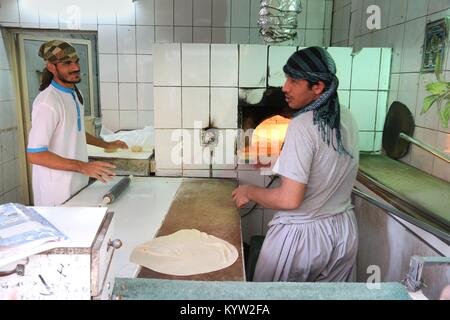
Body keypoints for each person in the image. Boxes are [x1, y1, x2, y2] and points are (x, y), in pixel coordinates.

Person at [232, 46, 359, 282]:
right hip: (343, 233)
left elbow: (289, 199)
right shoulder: (346, 117)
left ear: (317, 87)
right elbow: (324, 164)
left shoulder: (303, 126)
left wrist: (249, 191)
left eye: (293, 80)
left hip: (304, 240)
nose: (284, 87)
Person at [27, 40, 128, 206]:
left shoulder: (75, 93)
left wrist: (106, 144)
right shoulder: (48, 103)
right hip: (56, 191)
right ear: (51, 67)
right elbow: (35, 154)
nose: (75, 68)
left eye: (76, 61)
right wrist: (83, 166)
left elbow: (75, 132)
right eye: (67, 63)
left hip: (77, 184)